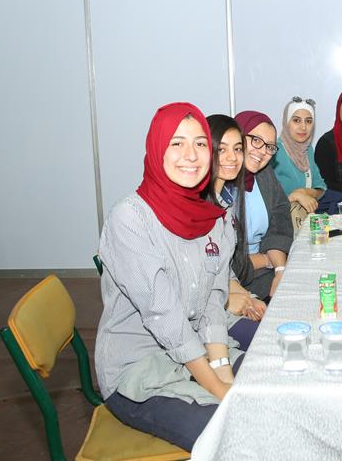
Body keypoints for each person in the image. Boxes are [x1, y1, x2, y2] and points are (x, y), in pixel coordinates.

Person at [95, 102, 240, 450]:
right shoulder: (130, 219)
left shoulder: (212, 219)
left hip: (200, 352)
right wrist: (219, 389)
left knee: (272, 388)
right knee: (233, 435)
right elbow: (165, 315)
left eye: (200, 143)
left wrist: (223, 368)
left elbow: (213, 301)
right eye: (177, 143)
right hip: (139, 370)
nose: (191, 155)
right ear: (157, 149)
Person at [204, 114, 267, 333]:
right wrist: (227, 301)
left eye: (238, 149)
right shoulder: (195, 208)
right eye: (222, 149)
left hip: (224, 302)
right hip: (206, 320)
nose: (232, 157)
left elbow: (225, 268)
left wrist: (248, 297)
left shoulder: (226, 202)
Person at [234, 110, 294, 300]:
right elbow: (221, 263)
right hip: (232, 282)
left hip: (265, 271)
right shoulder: (219, 183)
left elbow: (280, 220)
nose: (262, 152)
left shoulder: (264, 174)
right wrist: (265, 260)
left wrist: (280, 270)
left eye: (269, 147)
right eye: (256, 140)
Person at [272, 96, 326, 214]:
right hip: (280, 219)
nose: (303, 127)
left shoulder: (307, 149)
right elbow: (267, 198)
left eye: (308, 121)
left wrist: (304, 192)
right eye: (296, 120)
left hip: (304, 217)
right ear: (286, 122)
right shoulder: (273, 151)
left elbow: (320, 187)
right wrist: (294, 196)